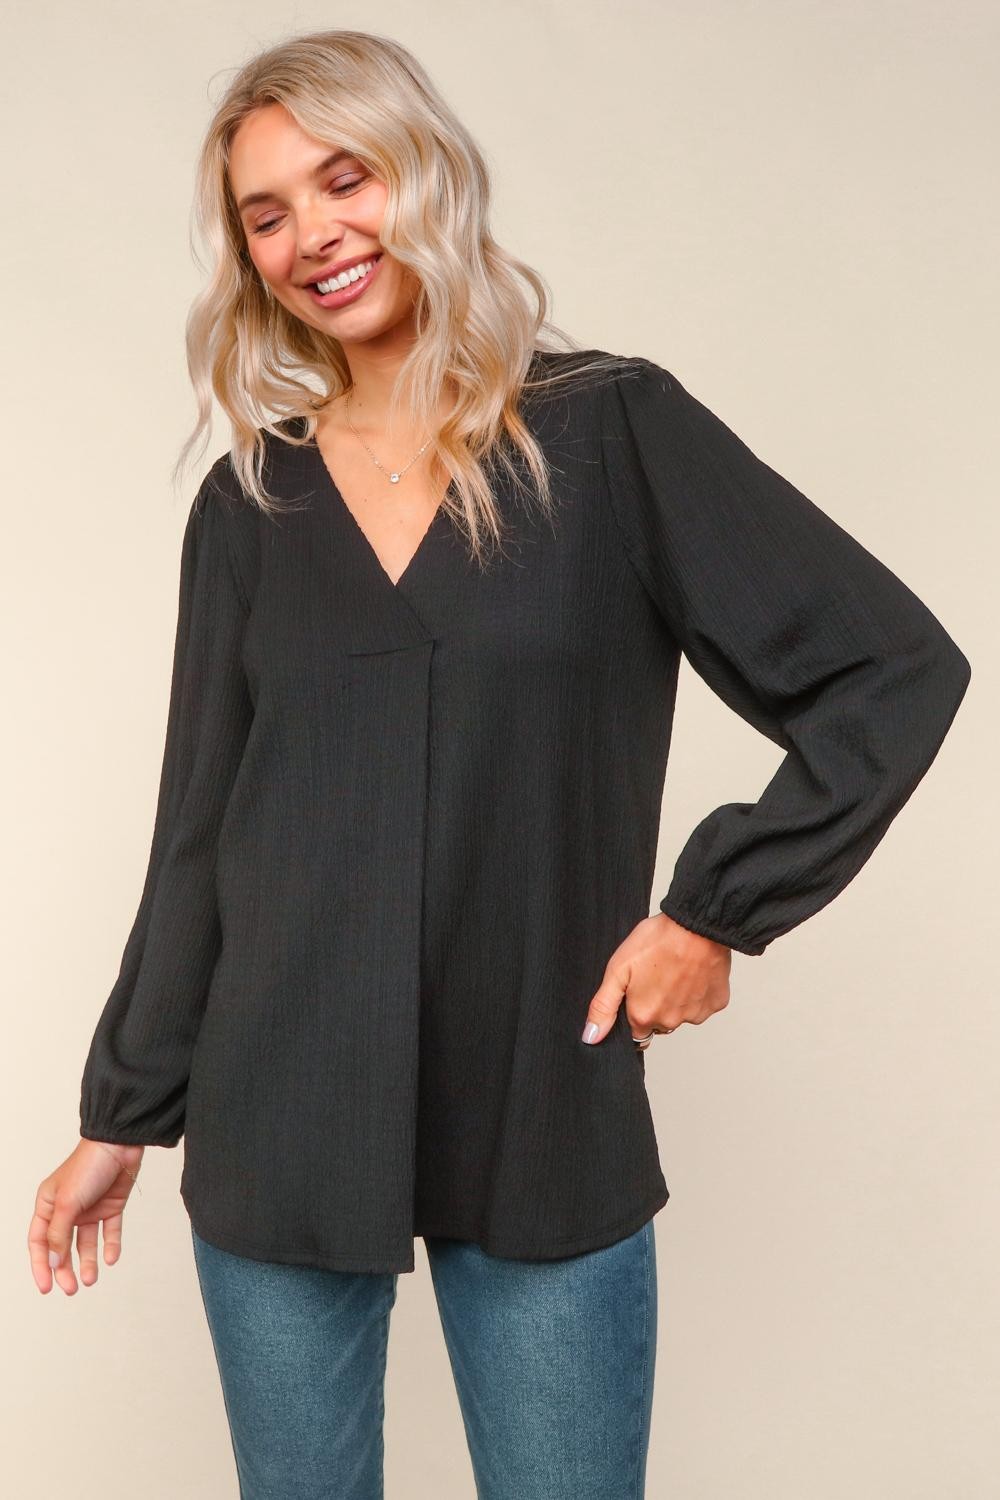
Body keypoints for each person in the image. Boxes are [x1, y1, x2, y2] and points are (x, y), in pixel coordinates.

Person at [28, 29, 971, 1500]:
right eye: (266, 214)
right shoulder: (251, 505)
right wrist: (121, 1112)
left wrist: (717, 912)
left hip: (545, 1108)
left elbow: (888, 667)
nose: (310, 235)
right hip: (280, 1111)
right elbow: (200, 832)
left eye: (344, 179)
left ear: (426, 173)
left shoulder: (608, 432)